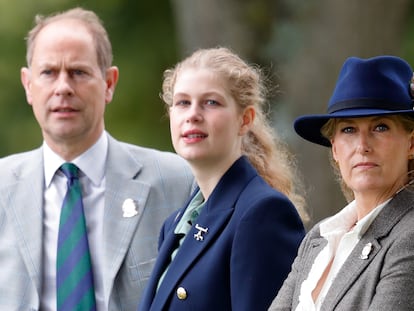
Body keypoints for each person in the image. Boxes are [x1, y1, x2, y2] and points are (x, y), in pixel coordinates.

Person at [0, 7, 195, 311]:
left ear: (109, 83)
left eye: (78, 72)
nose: (63, 87)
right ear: (28, 85)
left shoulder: (176, 183)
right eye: (48, 72)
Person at [138, 47, 307, 311]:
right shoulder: (174, 225)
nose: (193, 114)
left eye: (211, 102)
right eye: (183, 102)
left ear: (245, 120)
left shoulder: (262, 213)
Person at [269, 55, 414, 311]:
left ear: (411, 144)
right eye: (348, 130)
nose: (362, 146)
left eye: (380, 127)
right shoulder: (319, 237)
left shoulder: (408, 235)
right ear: (334, 148)